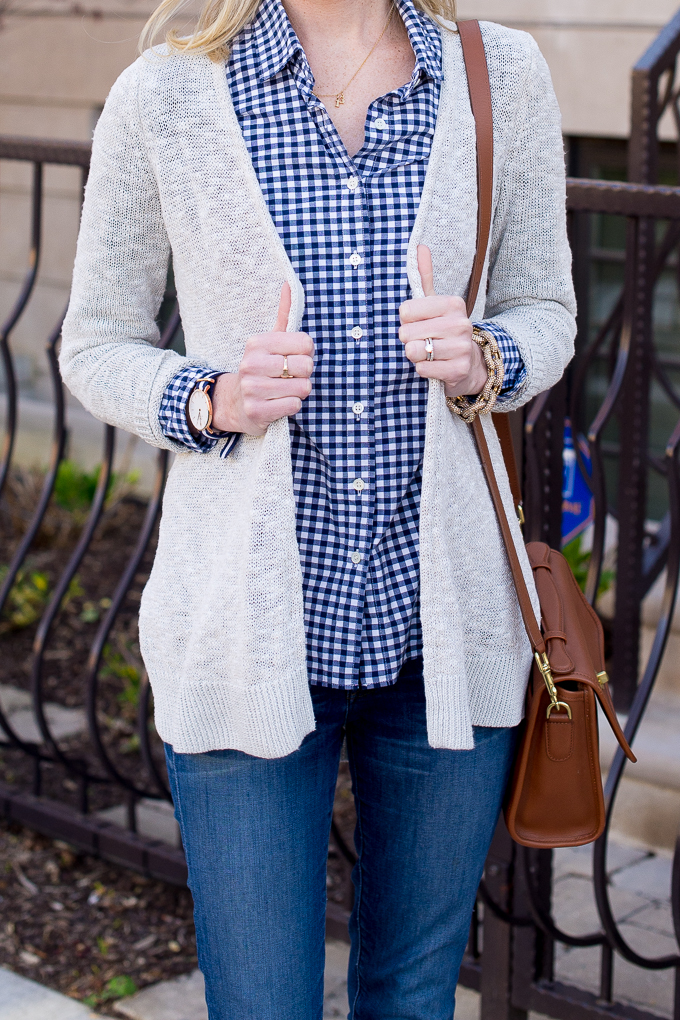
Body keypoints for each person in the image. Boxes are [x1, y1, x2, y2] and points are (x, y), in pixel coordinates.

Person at [59, 0, 576, 1015]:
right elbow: (95, 341)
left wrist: (484, 355)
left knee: (412, 994)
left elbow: (543, 308)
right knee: (260, 1004)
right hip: (244, 634)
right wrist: (208, 397)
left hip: (441, 633)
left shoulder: (496, 75)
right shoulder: (163, 95)